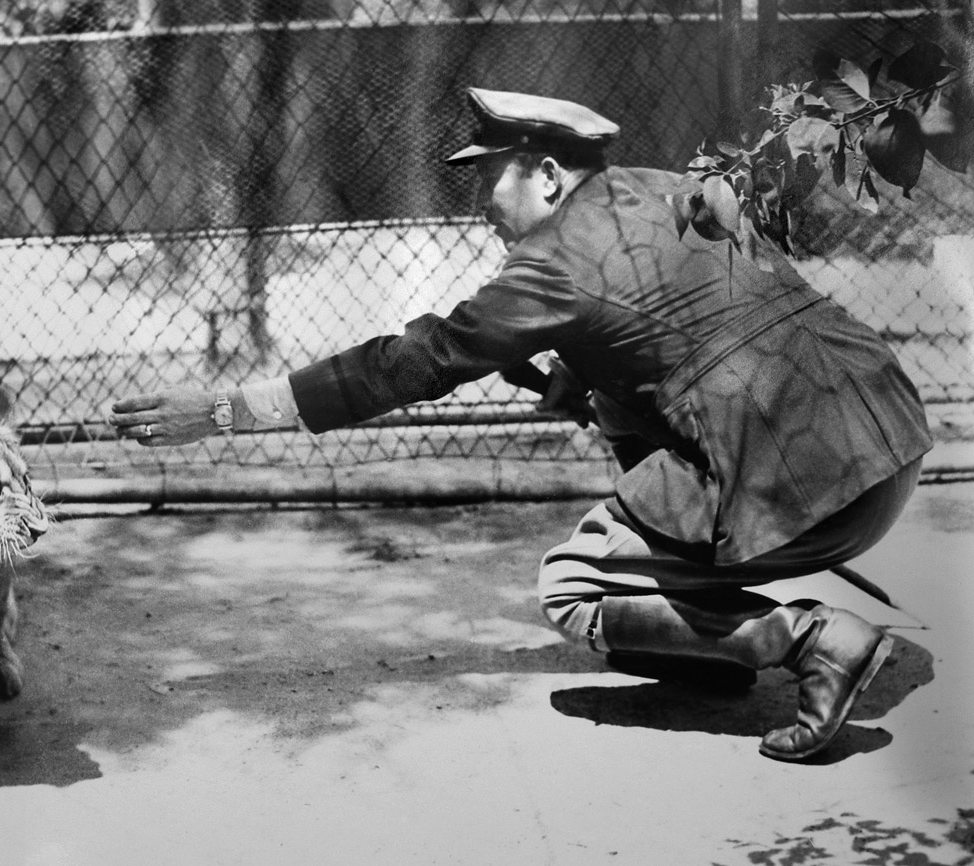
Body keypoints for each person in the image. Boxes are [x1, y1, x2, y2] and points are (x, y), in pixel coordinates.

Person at [110, 87, 932, 761]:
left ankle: (810, 639)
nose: (482, 208)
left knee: (571, 585)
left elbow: (414, 361)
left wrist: (225, 408)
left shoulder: (553, 264)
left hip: (808, 485)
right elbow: (696, 320)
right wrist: (589, 372)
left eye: (489, 181)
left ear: (544, 174)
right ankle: (710, 658)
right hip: (885, 441)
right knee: (630, 460)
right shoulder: (666, 186)